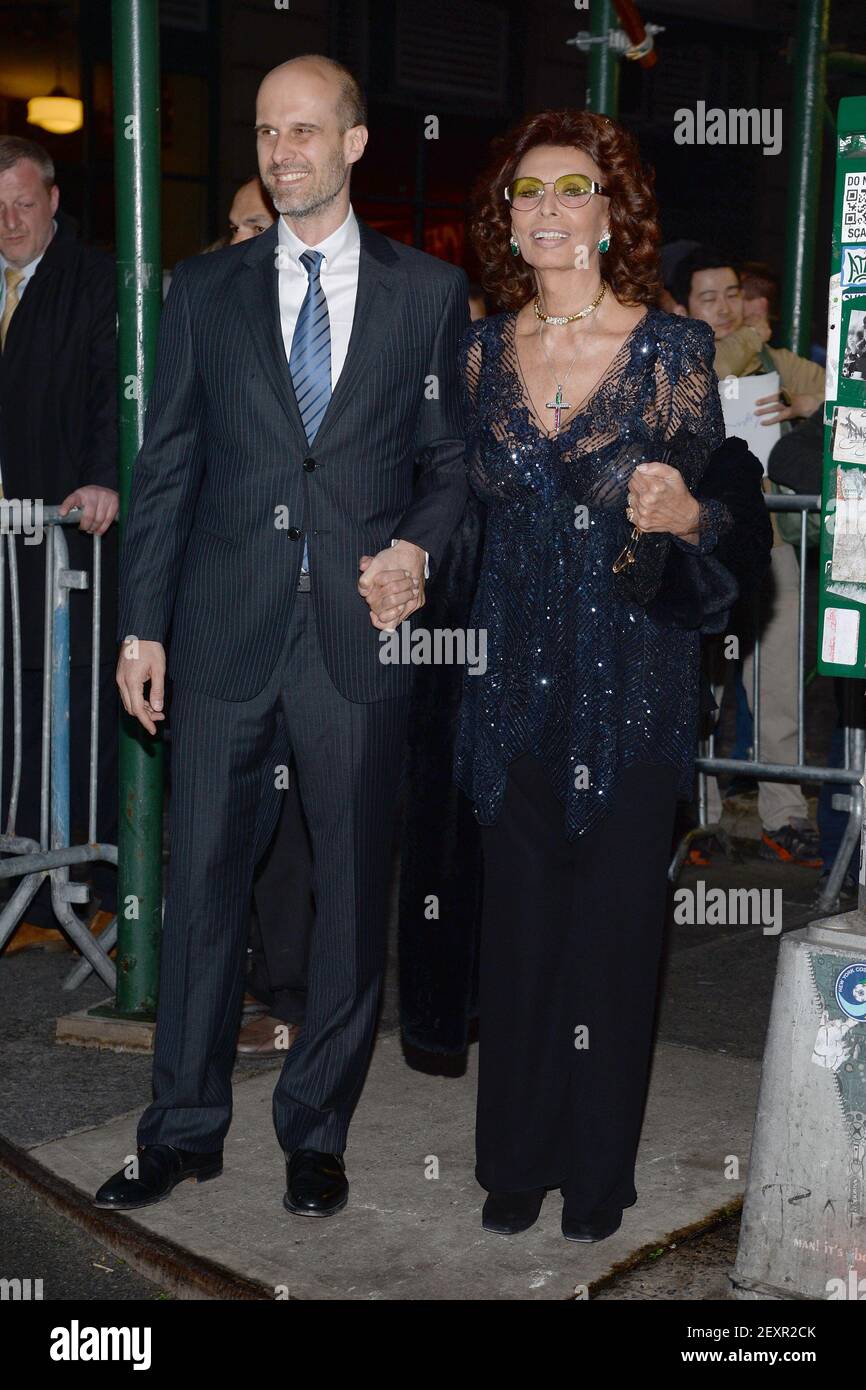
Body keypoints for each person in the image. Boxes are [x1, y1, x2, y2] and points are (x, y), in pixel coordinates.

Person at [94, 54, 468, 1217]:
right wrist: (141, 624)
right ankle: (181, 1131)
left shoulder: (427, 293)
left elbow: (451, 467)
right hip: (221, 627)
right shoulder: (204, 290)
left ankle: (315, 1131)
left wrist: (415, 549)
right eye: (266, 130)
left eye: (305, 129)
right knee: (203, 885)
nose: (280, 150)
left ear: (354, 143)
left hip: (356, 640)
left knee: (354, 898)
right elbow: (166, 469)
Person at [452, 109, 739, 1242]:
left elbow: (724, 509)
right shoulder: (477, 354)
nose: (548, 211)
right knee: (517, 935)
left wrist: (688, 511)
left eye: (571, 189)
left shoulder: (673, 352)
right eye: (527, 194)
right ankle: (512, 1163)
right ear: (506, 219)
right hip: (508, 679)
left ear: (608, 212)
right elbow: (454, 505)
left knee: (613, 942)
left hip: (632, 679)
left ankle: (596, 1177)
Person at [670, 248, 825, 867]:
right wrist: (742, 344)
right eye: (710, 299)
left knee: (779, 686)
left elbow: (836, 386)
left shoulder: (772, 360)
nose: (728, 309)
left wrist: (805, 404)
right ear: (680, 308)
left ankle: (783, 816)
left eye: (734, 294)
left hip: (773, 542)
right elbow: (712, 373)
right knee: (695, 684)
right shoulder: (679, 356)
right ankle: (699, 815)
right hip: (699, 543)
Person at [0, 136, 119, 932]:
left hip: (66, 542)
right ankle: (19, 872)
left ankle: (79, 888)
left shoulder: (95, 281)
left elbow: (122, 387)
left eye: (23, 203)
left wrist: (108, 475)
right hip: (5, 548)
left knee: (69, 707)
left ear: (52, 200)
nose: (9, 220)